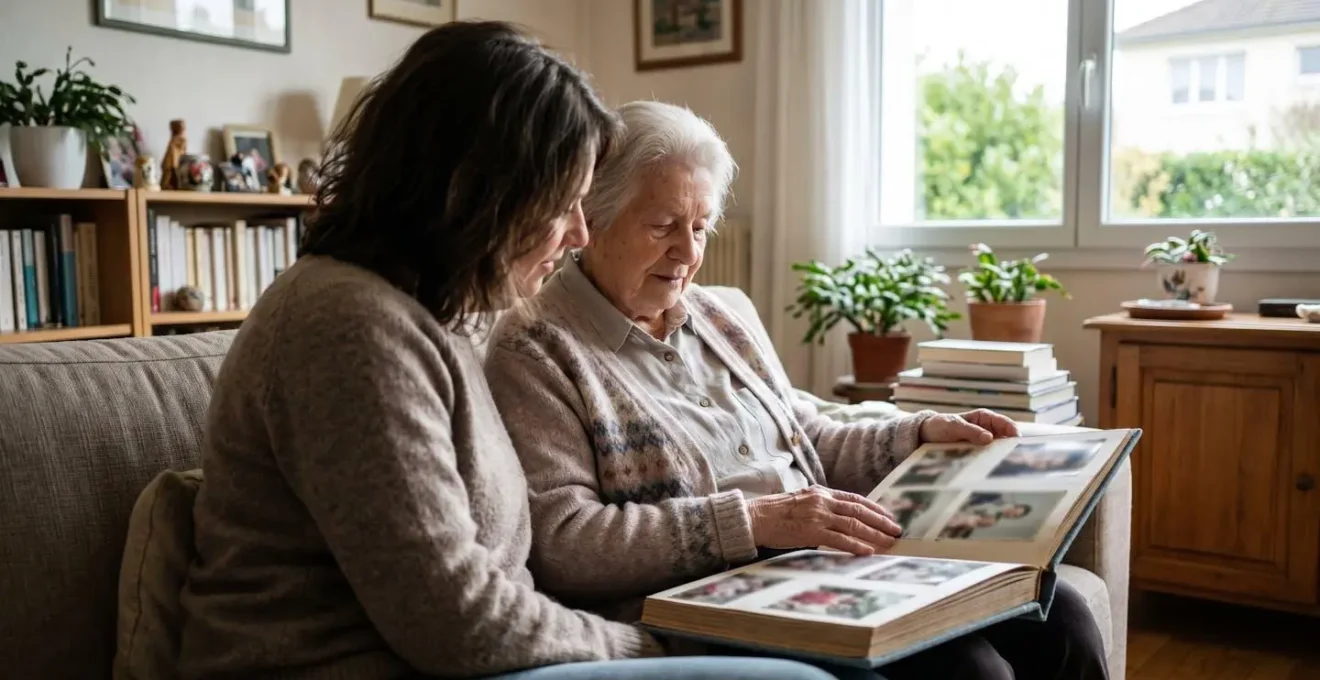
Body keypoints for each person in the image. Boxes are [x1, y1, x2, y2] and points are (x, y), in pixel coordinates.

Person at [174, 23, 837, 680]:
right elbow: (453, 618)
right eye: (564, 204)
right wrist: (653, 649)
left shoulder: (437, 316)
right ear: (481, 194)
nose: (579, 234)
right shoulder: (349, 326)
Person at [484, 100, 1110, 680]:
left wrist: (916, 434)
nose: (687, 252)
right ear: (592, 220)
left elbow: (801, 433)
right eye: (663, 225)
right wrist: (755, 522)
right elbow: (567, 542)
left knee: (1065, 618)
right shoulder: (536, 348)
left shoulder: (714, 314)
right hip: (720, 598)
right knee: (971, 670)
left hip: (822, 566)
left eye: (701, 227)